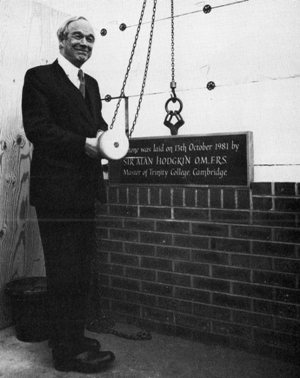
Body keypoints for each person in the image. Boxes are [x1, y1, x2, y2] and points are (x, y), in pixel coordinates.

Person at [22, 16, 115, 373]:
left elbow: (94, 125)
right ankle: (65, 353)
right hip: (56, 193)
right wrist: (85, 144)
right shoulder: (39, 77)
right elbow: (38, 129)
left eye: (91, 39)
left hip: (84, 191)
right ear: (61, 40)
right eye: (78, 36)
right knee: (64, 272)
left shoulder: (89, 83)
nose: (85, 43)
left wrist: (108, 139)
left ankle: (73, 335)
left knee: (80, 269)